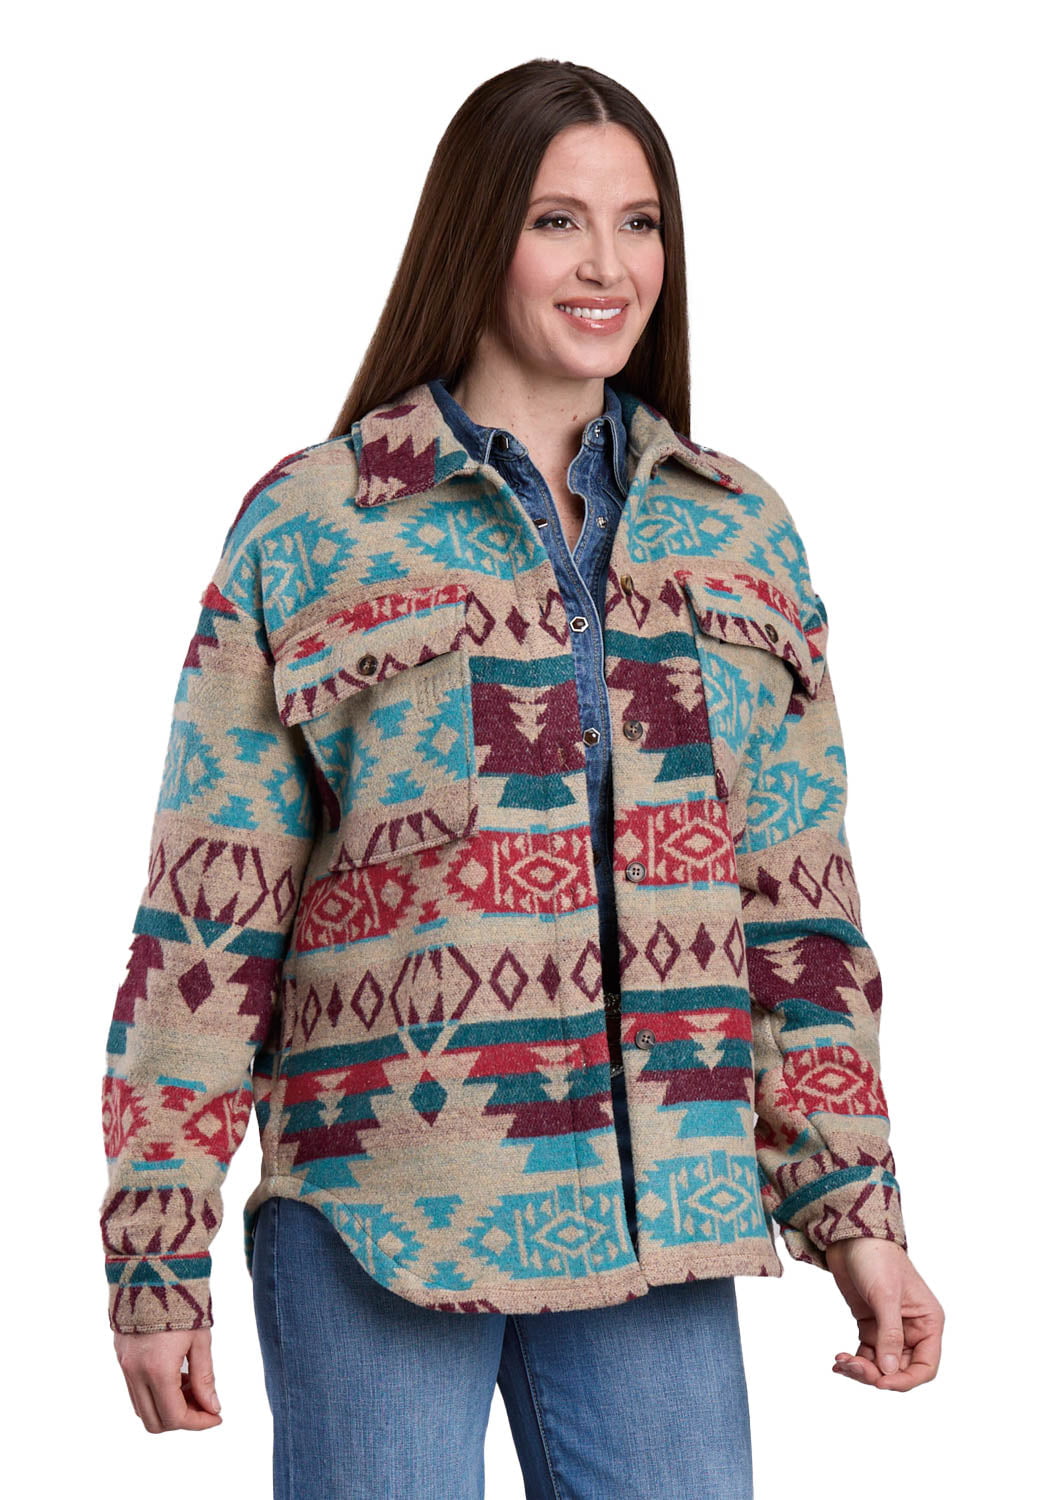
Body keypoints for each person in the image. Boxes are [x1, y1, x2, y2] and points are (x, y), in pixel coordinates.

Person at [100, 57, 944, 1498]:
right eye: (558, 221)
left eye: (639, 223)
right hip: (379, 1209)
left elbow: (800, 913)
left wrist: (853, 1209)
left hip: (667, 1224)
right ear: (476, 235)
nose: (608, 265)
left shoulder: (740, 530)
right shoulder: (316, 522)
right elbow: (210, 908)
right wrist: (155, 1247)